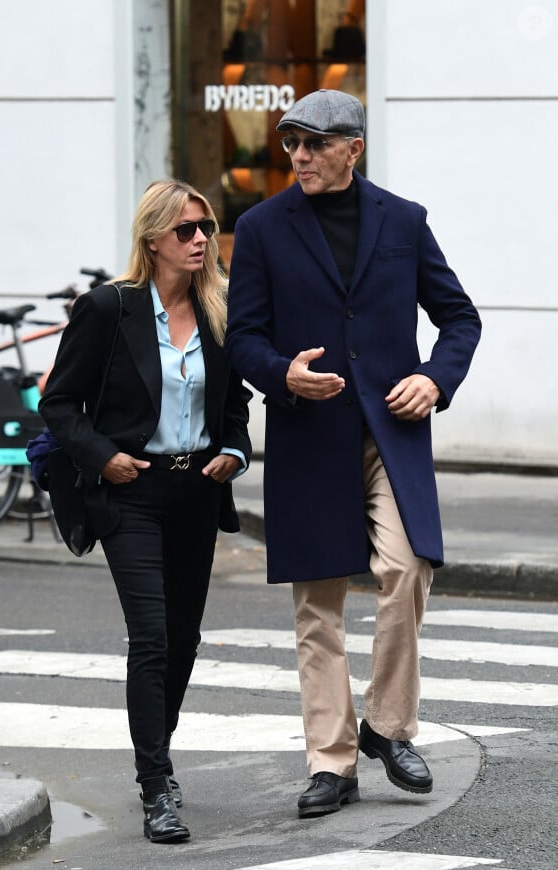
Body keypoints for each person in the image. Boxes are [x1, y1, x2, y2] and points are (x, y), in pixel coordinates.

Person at [225, 89, 481, 818]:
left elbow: (458, 318)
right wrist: (283, 374)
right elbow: (243, 336)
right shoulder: (262, 228)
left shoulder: (404, 220)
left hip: (390, 434)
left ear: (352, 149)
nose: (299, 157)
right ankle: (331, 762)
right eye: (291, 145)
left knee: (407, 568)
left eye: (313, 144)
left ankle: (388, 728)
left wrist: (435, 378)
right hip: (311, 432)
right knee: (319, 604)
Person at [39, 179, 252, 842]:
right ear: (152, 238)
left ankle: (158, 755)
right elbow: (59, 404)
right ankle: (157, 785)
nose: (199, 240)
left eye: (206, 229)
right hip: (131, 491)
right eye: (185, 229)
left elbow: (236, 411)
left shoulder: (221, 311)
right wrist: (103, 457)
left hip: (195, 493)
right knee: (153, 639)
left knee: (184, 640)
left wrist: (236, 455)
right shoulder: (108, 309)